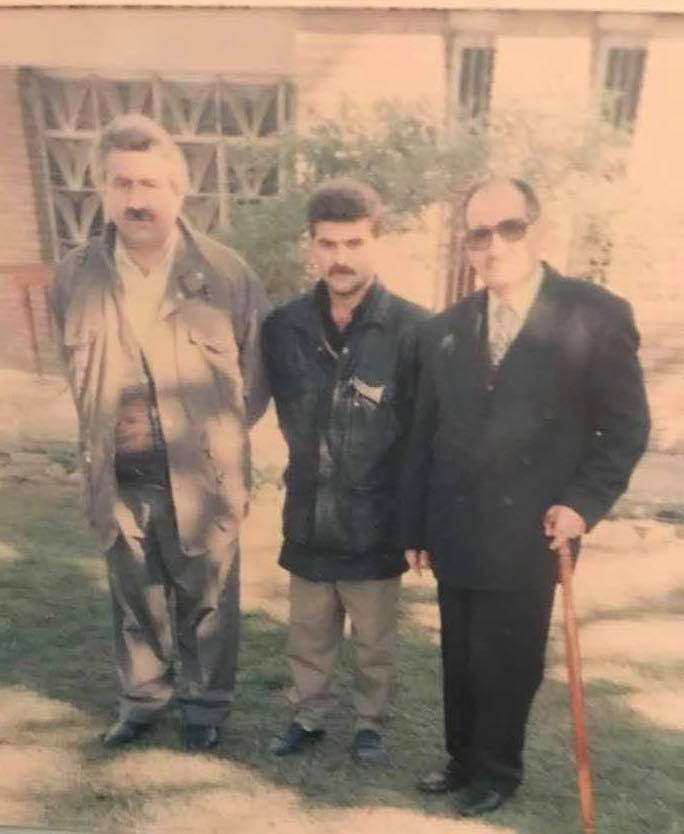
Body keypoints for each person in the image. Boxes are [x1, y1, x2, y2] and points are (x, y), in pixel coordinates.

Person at [401, 177, 650, 815]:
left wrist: (582, 504)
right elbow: (424, 433)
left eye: (509, 229)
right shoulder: (445, 329)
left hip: (535, 527)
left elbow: (625, 430)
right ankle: (462, 759)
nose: (494, 246)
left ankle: (496, 771)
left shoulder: (594, 314)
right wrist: (415, 526)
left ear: (538, 231)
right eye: (479, 234)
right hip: (457, 522)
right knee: (459, 651)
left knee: (508, 657)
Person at [47, 113, 269, 751]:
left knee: (208, 599)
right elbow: (77, 374)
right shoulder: (74, 277)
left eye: (149, 183)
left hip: (202, 475)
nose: (136, 199)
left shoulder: (226, 274)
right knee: (134, 599)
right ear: (102, 189)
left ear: (179, 188)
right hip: (118, 474)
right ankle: (143, 700)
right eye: (122, 183)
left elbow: (255, 380)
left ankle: (205, 707)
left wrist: (211, 443)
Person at [261, 179, 428, 764]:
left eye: (354, 243)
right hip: (308, 514)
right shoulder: (283, 328)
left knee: (374, 641)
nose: (341, 257)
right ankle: (307, 716)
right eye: (328, 244)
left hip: (375, 521)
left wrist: (416, 524)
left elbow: (425, 437)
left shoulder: (414, 330)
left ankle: (370, 723)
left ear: (376, 242)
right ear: (311, 245)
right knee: (307, 635)